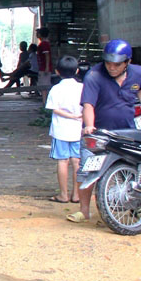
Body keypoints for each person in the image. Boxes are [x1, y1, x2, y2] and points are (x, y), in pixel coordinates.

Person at [71, 39, 141, 223]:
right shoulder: (94, 75)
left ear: (128, 62)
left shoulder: (138, 73)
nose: (111, 68)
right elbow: (88, 105)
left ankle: (131, 207)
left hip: (127, 132)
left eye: (117, 64)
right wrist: (89, 126)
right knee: (87, 171)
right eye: (108, 63)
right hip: (99, 133)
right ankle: (84, 211)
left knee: (130, 169)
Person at [45, 56, 82, 204]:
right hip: (78, 129)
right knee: (77, 161)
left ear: (57, 72)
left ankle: (63, 195)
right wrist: (77, 116)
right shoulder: (82, 87)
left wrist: (69, 115)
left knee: (62, 161)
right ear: (77, 71)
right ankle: (76, 195)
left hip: (61, 130)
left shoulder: (56, 89)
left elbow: (54, 109)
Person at [35, 27, 52, 101]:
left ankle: (45, 103)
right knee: (43, 85)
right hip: (43, 67)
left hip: (44, 68)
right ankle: (45, 102)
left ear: (40, 34)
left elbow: (47, 56)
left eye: (38, 33)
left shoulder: (44, 44)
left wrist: (46, 67)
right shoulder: (43, 43)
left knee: (44, 86)